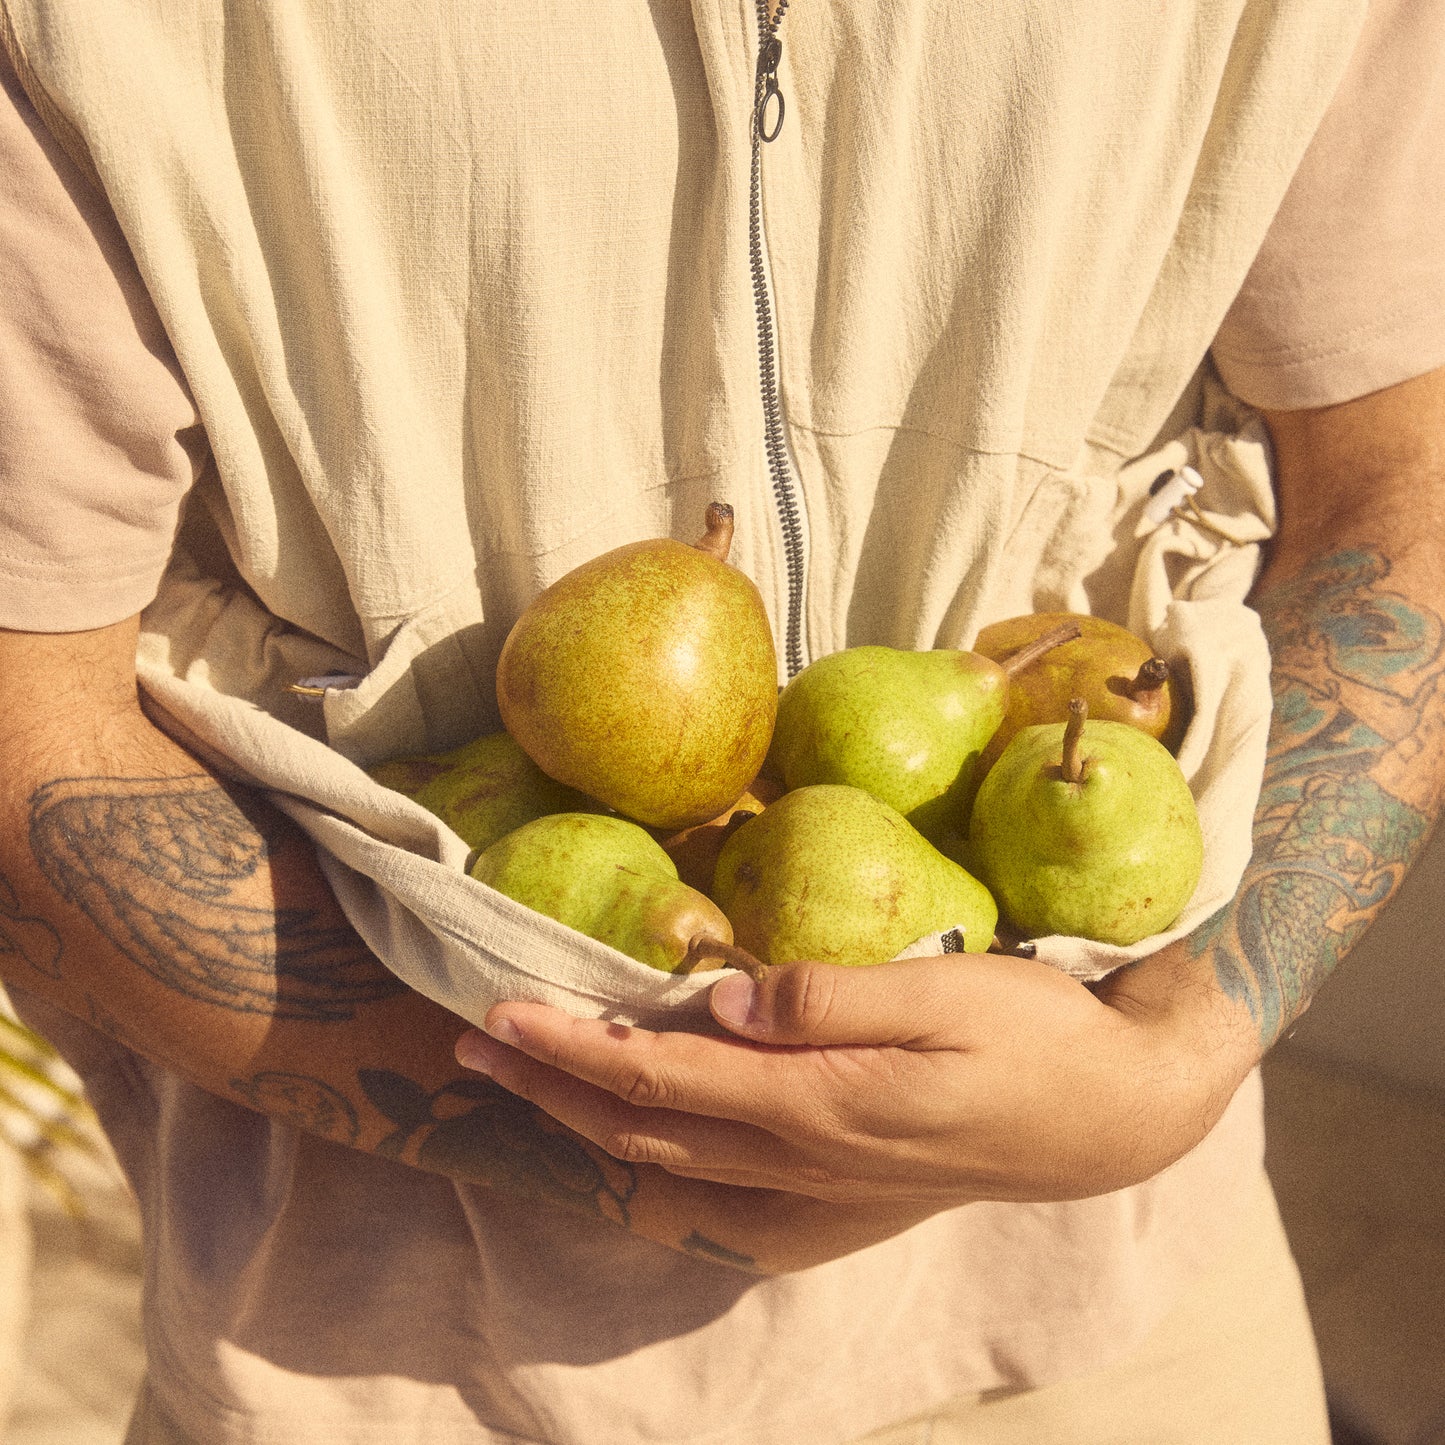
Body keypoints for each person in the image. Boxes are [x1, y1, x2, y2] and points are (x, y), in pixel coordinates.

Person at [1, 1, 1443, 1440]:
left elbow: (1401, 477)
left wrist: (1180, 1049)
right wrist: (651, 1135)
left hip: (1114, 1315)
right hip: (395, 1367)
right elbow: (26, 727)